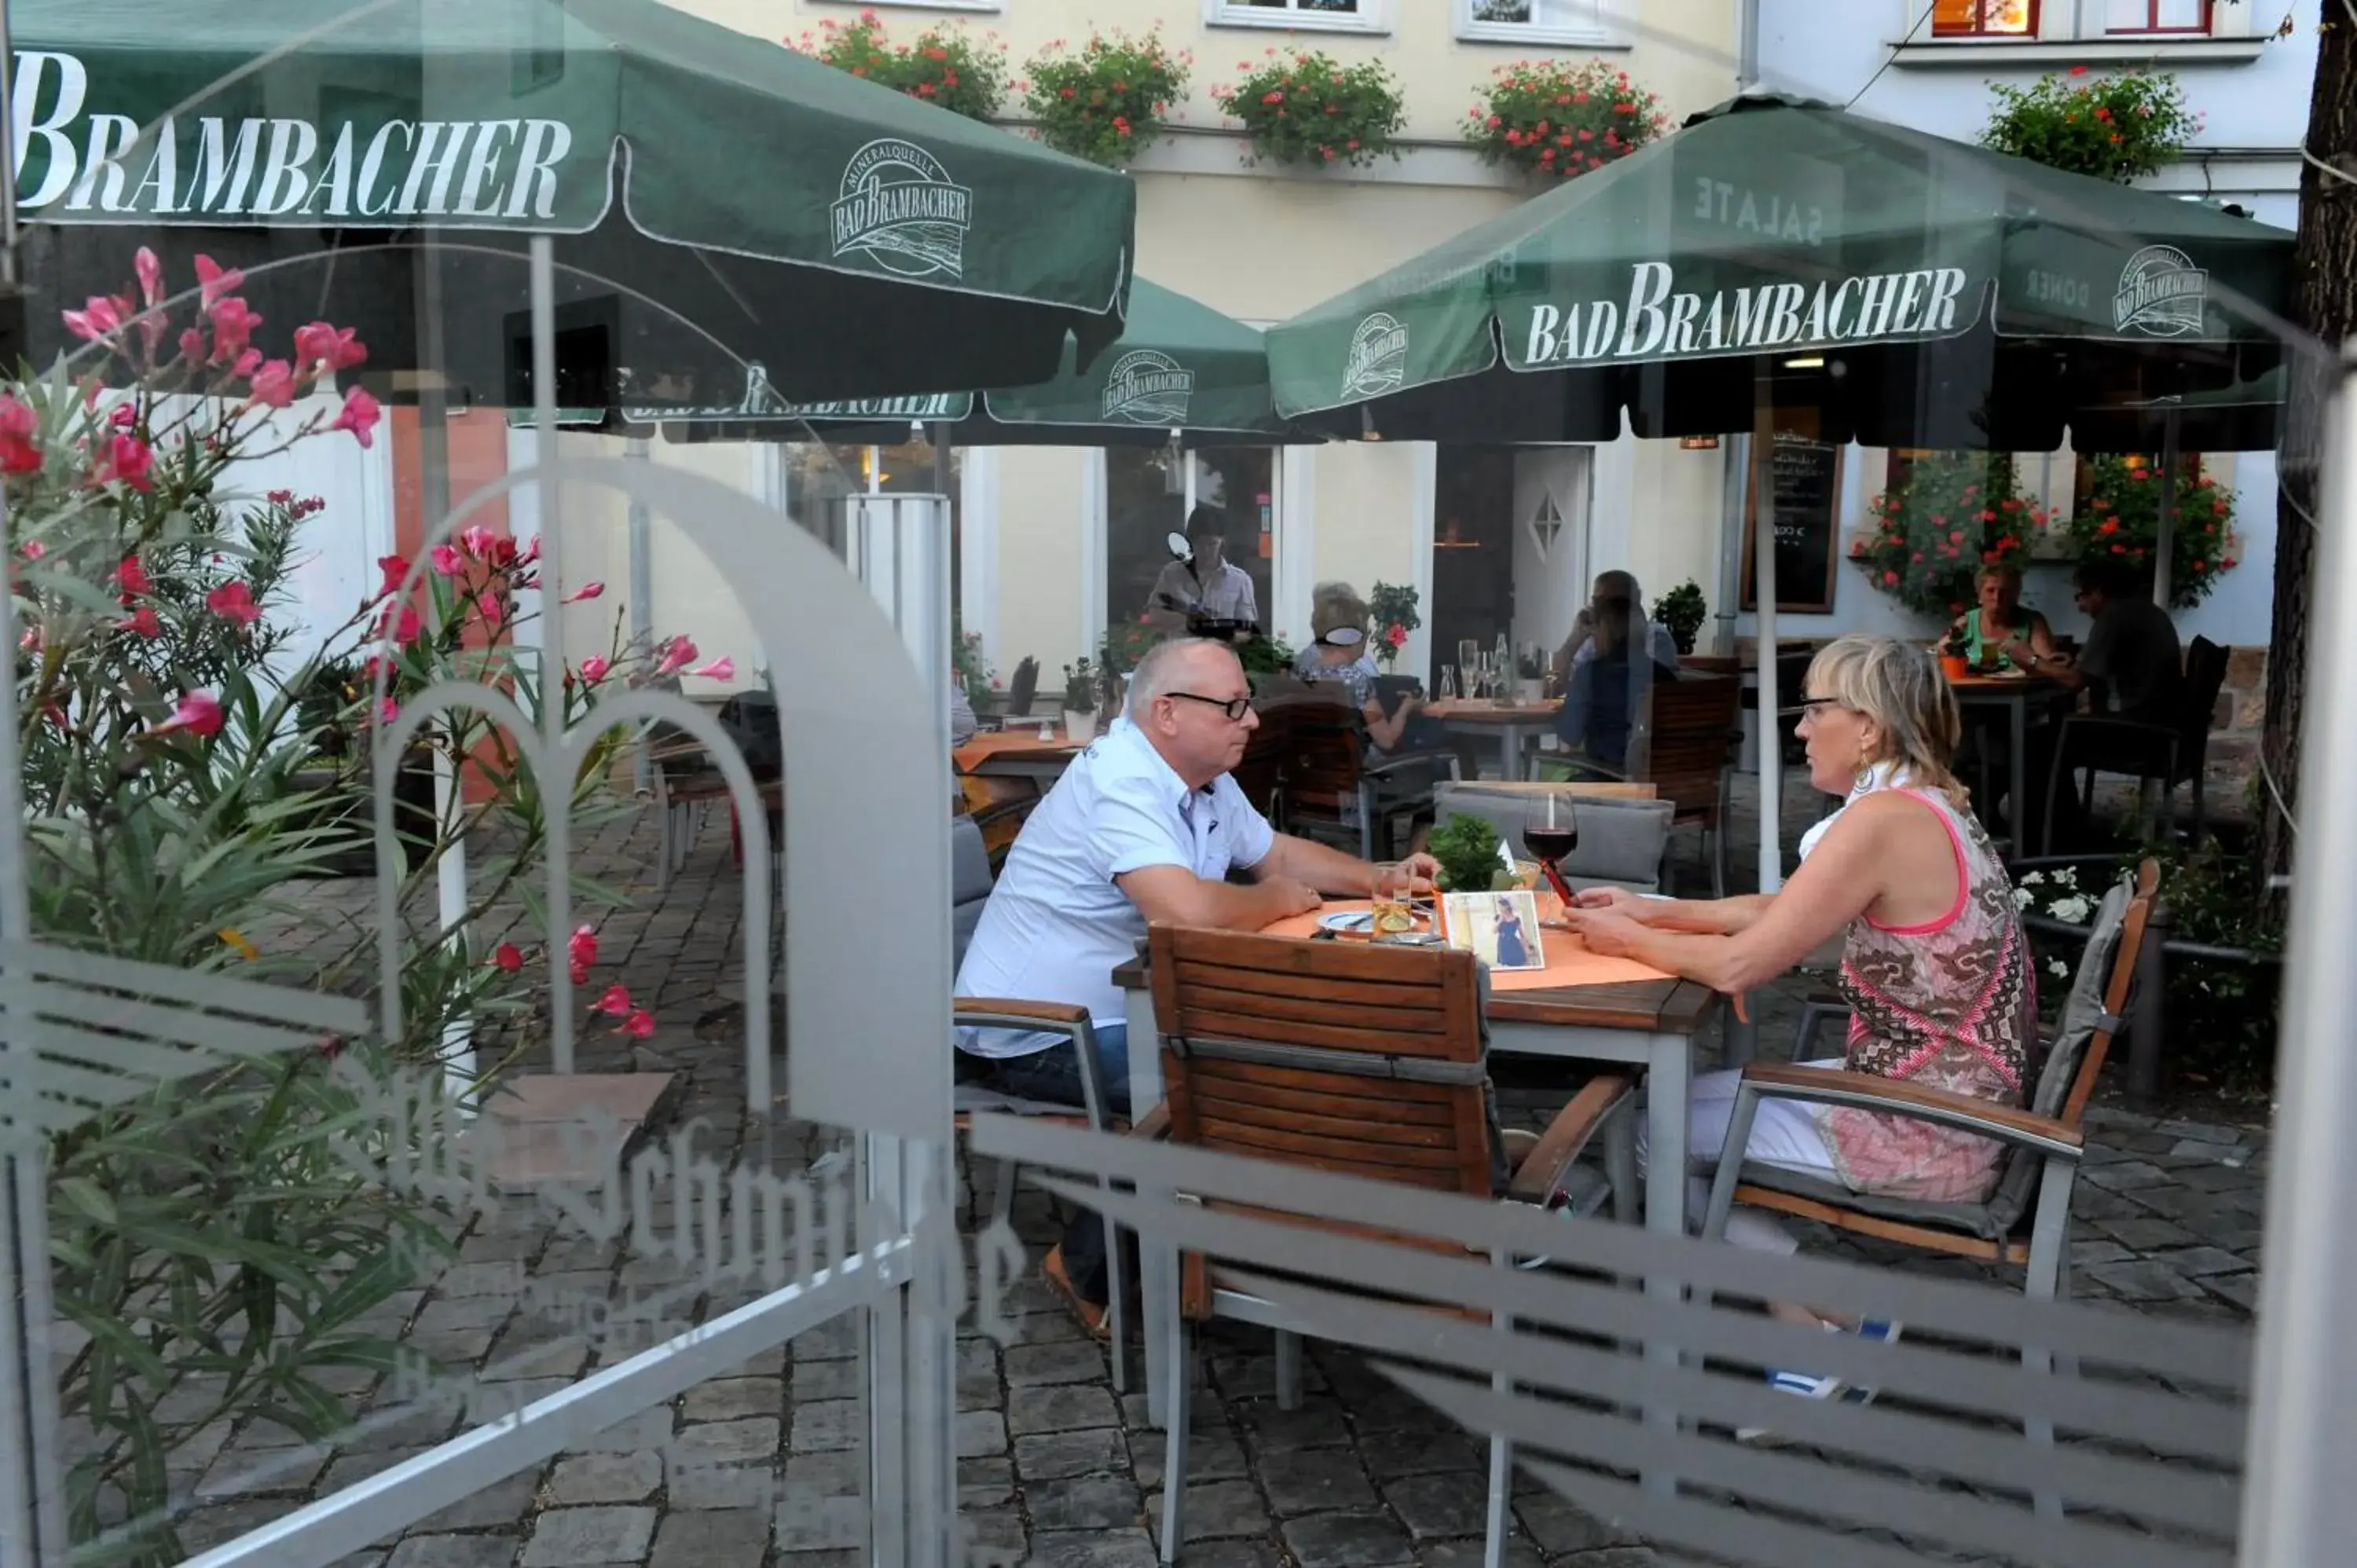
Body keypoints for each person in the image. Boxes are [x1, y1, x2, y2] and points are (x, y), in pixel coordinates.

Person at [1563, 633, 2033, 1408]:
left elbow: (1743, 967)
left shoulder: (1882, 818)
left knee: (1654, 1133)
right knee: (1668, 1116)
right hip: (1949, 1096)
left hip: (1928, 1124)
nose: (1800, 728)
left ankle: (1828, 1318)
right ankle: (1831, 1321)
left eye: (1816, 709)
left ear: (1871, 728)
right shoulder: (1928, 801)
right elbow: (1790, 909)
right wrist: (1661, 911)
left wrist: (1631, 938)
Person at [954, 636, 1440, 1332]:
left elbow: (1271, 850)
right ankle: (1087, 1265)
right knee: (1223, 1082)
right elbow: (1183, 913)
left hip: (1130, 1009)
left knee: (1273, 1053)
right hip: (1035, 1029)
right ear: (1168, 713)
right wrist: (1274, 901)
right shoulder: (1120, 780)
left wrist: (1378, 878)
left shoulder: (1197, 779)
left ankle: (1244, 1244)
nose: (1251, 720)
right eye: (1235, 706)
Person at [1292, 582, 1431, 756]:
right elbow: (1387, 740)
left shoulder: (1299, 667)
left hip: (1305, 768)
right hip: (1352, 771)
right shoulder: (1355, 681)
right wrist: (1406, 707)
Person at [1555, 595, 1678, 772]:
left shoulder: (1589, 674)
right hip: (1662, 782)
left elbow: (1568, 742)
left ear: (1604, 631)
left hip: (1606, 781)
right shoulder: (1664, 676)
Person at [1143, 505, 1258, 639]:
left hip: (1219, 655)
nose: (1206, 551)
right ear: (1190, 542)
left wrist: (1218, 631)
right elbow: (1155, 615)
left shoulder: (1240, 581)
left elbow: (1247, 631)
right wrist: (1189, 621)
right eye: (1200, 544)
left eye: (1212, 544)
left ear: (1223, 541)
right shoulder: (1172, 574)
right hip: (1181, 654)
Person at [1557, 570, 1680, 676]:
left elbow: (1635, 688)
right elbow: (1551, 687)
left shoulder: (1656, 637)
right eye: (1595, 601)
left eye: (1605, 603)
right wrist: (1573, 642)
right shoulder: (1588, 639)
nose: (1595, 609)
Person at [1942, 564, 2057, 673]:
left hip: (2021, 691)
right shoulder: (1966, 622)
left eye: (2005, 592)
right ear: (1979, 595)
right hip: (1972, 690)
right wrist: (1953, 638)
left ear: (2015, 595)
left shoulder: (2032, 622)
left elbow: (2049, 667)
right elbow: (1938, 654)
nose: (1997, 598)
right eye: (1990, 591)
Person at [1491, 897, 1530, 968]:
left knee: (1519, 963)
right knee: (1506, 965)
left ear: (1506, 907)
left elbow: (1522, 934)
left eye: (1501, 907)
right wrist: (1500, 921)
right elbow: (1494, 931)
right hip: (1503, 944)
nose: (1500, 909)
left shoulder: (1516, 919)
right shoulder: (1498, 918)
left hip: (1513, 942)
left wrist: (1527, 947)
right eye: (1499, 907)